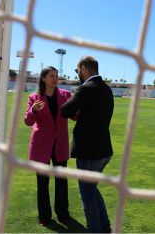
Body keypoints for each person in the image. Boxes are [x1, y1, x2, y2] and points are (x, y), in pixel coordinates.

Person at [61, 56, 114, 233]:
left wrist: (68, 98)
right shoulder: (106, 89)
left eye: (77, 71)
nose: (77, 74)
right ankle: (105, 227)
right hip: (103, 149)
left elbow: (65, 111)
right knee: (92, 190)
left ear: (84, 68)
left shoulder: (86, 89)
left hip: (89, 152)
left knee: (87, 196)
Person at [24, 66, 72, 226]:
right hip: (41, 145)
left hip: (60, 144)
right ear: (43, 78)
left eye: (56, 76)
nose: (55, 78)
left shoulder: (65, 95)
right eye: (51, 75)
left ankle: (63, 214)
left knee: (61, 181)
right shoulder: (34, 97)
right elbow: (28, 121)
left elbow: (75, 115)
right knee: (42, 183)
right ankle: (44, 217)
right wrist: (33, 110)